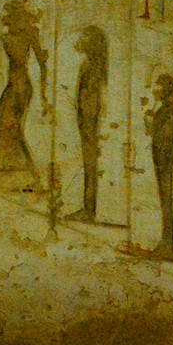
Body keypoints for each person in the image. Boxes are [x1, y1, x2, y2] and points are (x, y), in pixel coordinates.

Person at [0, 0, 48, 191]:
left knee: (7, 129)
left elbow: (43, 65)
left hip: (21, 87)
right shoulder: (4, 38)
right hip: (14, 86)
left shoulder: (26, 37)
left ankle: (27, 177)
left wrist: (45, 96)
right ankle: (8, 177)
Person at [66, 25, 107, 222]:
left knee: (90, 163)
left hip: (89, 118)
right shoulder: (90, 65)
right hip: (86, 117)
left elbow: (92, 97)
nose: (79, 41)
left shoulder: (93, 66)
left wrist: (86, 115)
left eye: (83, 38)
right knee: (88, 163)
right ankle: (88, 207)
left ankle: (89, 209)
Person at [145, 73, 173, 259]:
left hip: (164, 158)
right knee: (164, 200)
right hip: (160, 157)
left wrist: (153, 122)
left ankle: (168, 244)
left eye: (159, 85)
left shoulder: (169, 110)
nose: (155, 89)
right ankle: (166, 243)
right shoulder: (163, 109)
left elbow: (166, 136)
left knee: (166, 201)